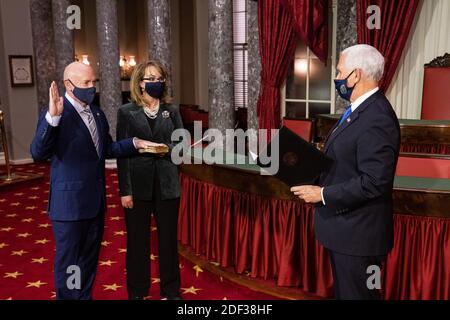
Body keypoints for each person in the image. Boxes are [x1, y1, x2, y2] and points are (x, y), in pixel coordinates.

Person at [30, 62, 157, 300]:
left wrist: (134, 143)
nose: (92, 87)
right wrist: (52, 119)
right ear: (69, 85)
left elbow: (106, 148)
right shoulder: (57, 113)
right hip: (69, 207)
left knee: (88, 261)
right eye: (86, 83)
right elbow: (38, 153)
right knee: (70, 263)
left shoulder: (96, 113)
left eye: (93, 82)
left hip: (95, 204)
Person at [291, 44, 400, 300]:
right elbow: (346, 159)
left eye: (340, 71)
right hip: (345, 232)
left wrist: (323, 194)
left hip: (359, 237)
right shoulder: (358, 110)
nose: (337, 78)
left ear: (356, 75)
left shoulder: (377, 116)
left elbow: (375, 181)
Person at [116, 60, 184, 300]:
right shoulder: (126, 112)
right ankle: (137, 292)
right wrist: (125, 191)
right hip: (137, 186)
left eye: (159, 78)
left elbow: (181, 146)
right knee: (137, 243)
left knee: (167, 242)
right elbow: (121, 154)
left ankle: (171, 291)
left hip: (167, 186)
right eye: (150, 78)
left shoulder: (172, 111)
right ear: (140, 83)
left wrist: (165, 148)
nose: (155, 82)